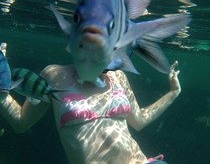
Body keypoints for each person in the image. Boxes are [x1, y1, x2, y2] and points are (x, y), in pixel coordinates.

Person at [0, 43, 181, 164]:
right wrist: (1, 85)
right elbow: (21, 122)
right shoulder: (54, 76)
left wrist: (173, 93)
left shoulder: (118, 77)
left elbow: (139, 121)